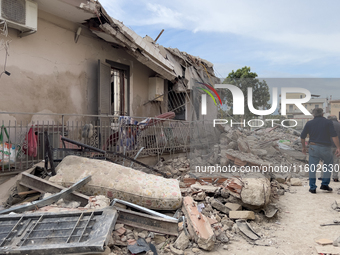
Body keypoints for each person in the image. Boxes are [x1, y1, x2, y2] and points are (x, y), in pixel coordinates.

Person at [300, 108, 340, 194]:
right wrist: (338, 147)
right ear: (323, 114)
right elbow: (334, 135)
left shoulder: (309, 123)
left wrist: (303, 147)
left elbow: (302, 136)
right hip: (326, 148)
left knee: (312, 168)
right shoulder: (328, 122)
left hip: (313, 147)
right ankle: (324, 184)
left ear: (313, 115)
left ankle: (312, 187)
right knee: (328, 165)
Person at [319, 115, 340, 181]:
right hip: (337, 146)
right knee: (336, 162)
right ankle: (335, 177)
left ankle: (323, 176)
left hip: (327, 146)